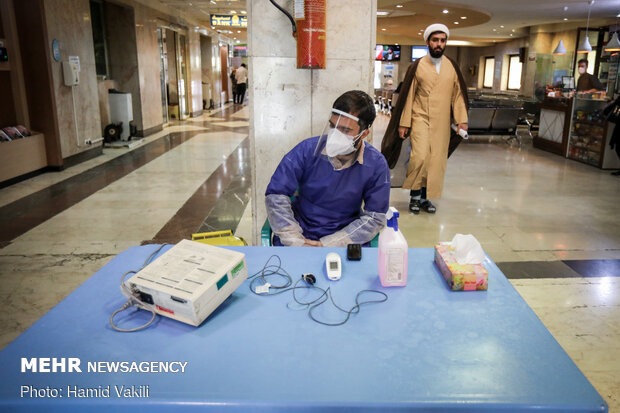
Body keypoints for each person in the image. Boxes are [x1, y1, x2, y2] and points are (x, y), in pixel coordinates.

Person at [265, 90, 390, 247]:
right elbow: (276, 194)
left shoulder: (376, 165)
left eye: (345, 130)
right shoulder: (307, 150)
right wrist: (295, 240)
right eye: (333, 126)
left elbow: (375, 217)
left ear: (364, 134)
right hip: (300, 231)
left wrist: (331, 243)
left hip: (344, 236)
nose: (336, 135)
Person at [381, 23, 468, 215]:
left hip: (442, 122)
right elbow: (408, 96)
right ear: (428, 42)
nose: (439, 44)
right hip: (420, 117)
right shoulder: (417, 65)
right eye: (435, 40)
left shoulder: (452, 67)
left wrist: (462, 120)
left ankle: (425, 198)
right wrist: (404, 123)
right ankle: (414, 196)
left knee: (435, 160)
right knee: (419, 157)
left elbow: (458, 95)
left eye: (442, 41)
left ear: (445, 43)